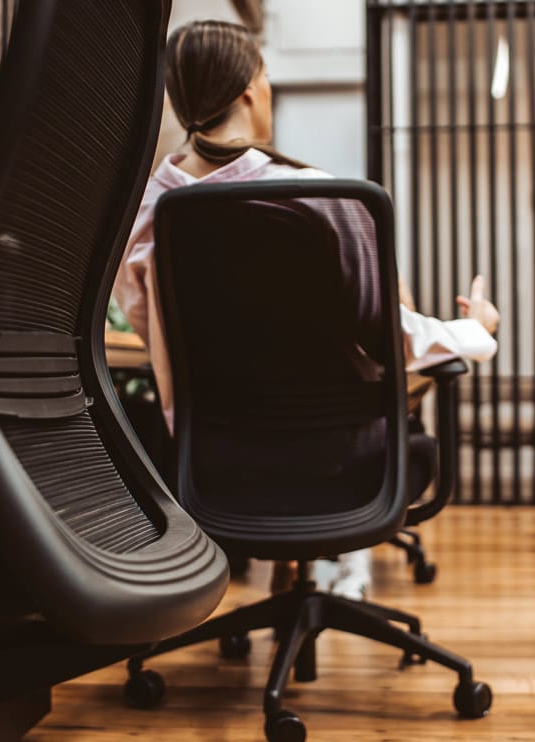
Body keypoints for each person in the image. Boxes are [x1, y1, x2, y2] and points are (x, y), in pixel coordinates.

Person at [112, 19, 500, 600]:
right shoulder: (320, 197)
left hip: (214, 465)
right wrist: (476, 329)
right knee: (408, 392)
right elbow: (390, 343)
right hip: (338, 465)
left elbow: (156, 334)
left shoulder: (146, 212)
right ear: (249, 89)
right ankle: (345, 570)